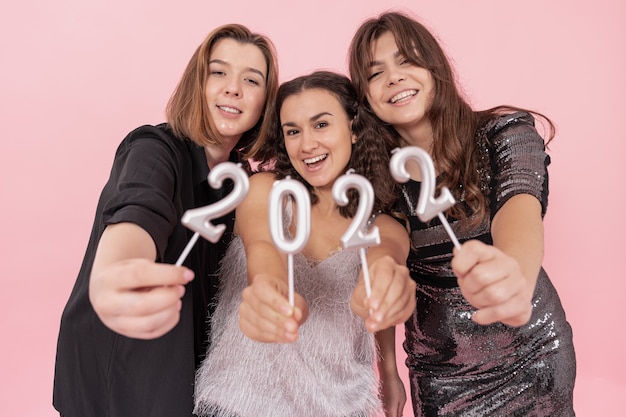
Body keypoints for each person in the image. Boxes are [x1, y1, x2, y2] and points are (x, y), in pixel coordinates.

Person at [348, 11, 576, 417]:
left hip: (533, 354)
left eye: (406, 60)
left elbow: (519, 208)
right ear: (366, 97)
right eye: (375, 73)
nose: (394, 77)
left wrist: (517, 278)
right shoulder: (376, 176)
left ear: (435, 67)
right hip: (440, 371)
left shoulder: (505, 134)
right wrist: (386, 367)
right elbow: (386, 246)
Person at [52, 23, 279, 417]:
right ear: (197, 82)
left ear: (265, 102)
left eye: (252, 80)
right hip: (119, 365)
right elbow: (138, 212)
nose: (233, 88)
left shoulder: (244, 183)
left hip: (185, 370)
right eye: (219, 72)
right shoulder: (154, 149)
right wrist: (116, 273)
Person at [193, 71, 416, 417]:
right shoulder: (264, 190)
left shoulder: (382, 226)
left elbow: (385, 265)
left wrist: (388, 374)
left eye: (321, 125)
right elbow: (263, 247)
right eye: (293, 131)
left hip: (340, 407)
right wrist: (268, 287)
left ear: (354, 129)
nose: (307, 144)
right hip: (235, 403)